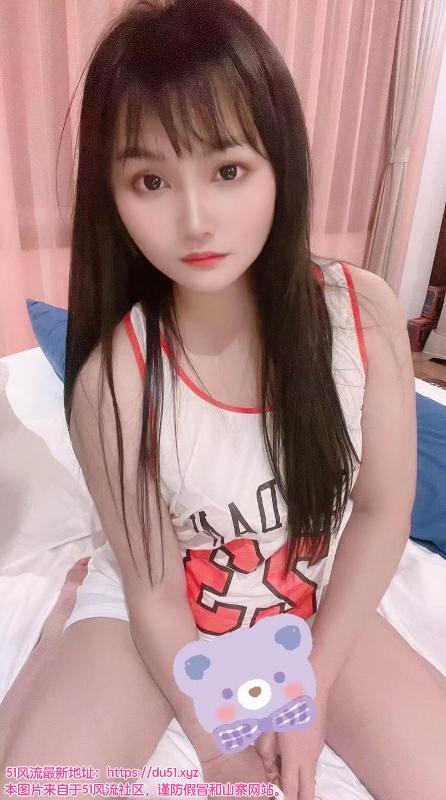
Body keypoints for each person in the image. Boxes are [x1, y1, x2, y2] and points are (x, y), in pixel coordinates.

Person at [1, 1, 446, 799]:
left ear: (280, 162)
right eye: (150, 181)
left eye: (228, 170)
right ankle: (58, 627)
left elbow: (383, 509)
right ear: (113, 195)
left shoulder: (361, 313)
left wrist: (308, 685)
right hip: (157, 618)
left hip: (303, 605)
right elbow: (154, 592)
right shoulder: (115, 379)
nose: (195, 220)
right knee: (37, 786)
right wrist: (216, 745)